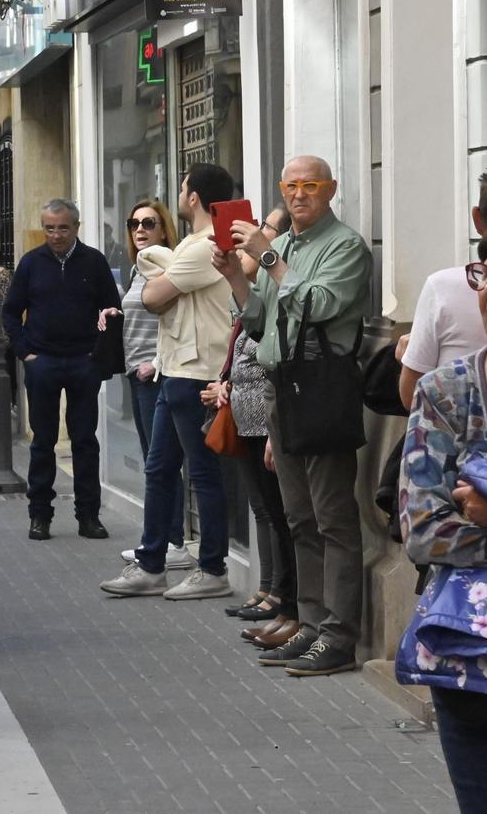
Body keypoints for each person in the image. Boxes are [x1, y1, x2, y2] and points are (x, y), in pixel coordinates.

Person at [215, 155, 373, 677]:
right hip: (282, 388)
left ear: (330, 190)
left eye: (311, 185)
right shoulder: (278, 246)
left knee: (333, 518)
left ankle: (340, 636)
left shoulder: (344, 246)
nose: (299, 194)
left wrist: (267, 262)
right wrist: (237, 280)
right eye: (291, 186)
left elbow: (322, 305)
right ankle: (310, 624)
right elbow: (260, 322)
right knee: (299, 517)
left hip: (324, 385)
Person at [397, 214, 487, 810]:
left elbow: (468, 525)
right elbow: (423, 533)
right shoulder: (446, 392)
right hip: (477, 665)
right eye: (486, 273)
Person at [102, 166, 240, 600]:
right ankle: (151, 564)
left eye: (182, 188)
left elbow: (152, 297)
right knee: (159, 469)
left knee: (202, 474)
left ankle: (213, 568)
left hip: (197, 372)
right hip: (173, 368)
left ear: (194, 197)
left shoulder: (204, 247)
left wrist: (160, 274)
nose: (178, 195)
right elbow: (156, 297)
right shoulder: (188, 247)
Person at [3, 200, 121, 541]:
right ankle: (39, 516)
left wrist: (99, 358)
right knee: (43, 442)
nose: (56, 235)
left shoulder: (93, 262)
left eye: (63, 228)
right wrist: (25, 352)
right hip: (43, 363)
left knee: (85, 441)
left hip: (84, 362)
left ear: (76, 227)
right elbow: (11, 311)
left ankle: (89, 516)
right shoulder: (31, 264)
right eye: (50, 228)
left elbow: (110, 310)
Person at [101, 199, 188, 569]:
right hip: (136, 372)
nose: (140, 229)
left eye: (149, 223)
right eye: (134, 222)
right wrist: (117, 312)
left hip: (156, 374)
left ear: (164, 228)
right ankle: (163, 539)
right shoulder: (141, 268)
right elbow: (145, 310)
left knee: (162, 461)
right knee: (154, 458)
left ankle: (173, 542)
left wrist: (155, 362)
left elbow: (183, 319)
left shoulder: (168, 265)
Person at [397, 158, 487, 410]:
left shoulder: (443, 287)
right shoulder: (447, 385)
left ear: (477, 218)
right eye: (485, 274)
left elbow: (411, 397)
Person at [213, 321, 302, 648]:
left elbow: (276, 369)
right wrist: (224, 383)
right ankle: (280, 601)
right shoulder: (247, 308)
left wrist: (273, 432)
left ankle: (287, 603)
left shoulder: (271, 305)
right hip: (248, 424)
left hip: (268, 425)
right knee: (269, 513)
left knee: (285, 518)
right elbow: (238, 360)